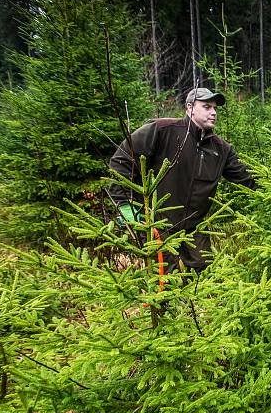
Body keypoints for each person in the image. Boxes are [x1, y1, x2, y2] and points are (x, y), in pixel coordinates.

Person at [109, 87, 257, 274]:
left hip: (195, 229)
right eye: (206, 107)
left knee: (202, 274)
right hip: (159, 226)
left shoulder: (221, 149)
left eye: (215, 108)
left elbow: (248, 179)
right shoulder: (162, 130)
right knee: (165, 280)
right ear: (189, 108)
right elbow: (121, 161)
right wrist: (124, 204)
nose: (213, 112)